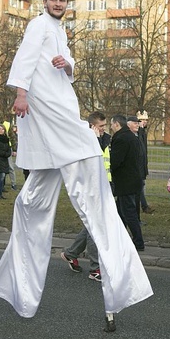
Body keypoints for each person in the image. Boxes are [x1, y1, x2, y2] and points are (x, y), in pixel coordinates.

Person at [0, 0, 152, 332]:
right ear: (45, 3)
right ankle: (24, 285)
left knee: (31, 202)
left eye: (62, 0)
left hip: (62, 108)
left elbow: (68, 67)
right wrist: (21, 94)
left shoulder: (59, 30)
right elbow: (24, 59)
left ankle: (20, 286)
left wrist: (66, 63)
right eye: (54, 0)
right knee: (86, 166)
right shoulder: (38, 25)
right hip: (49, 112)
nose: (58, 4)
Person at [59, 111, 110, 282]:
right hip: (86, 189)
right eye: (101, 126)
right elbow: (88, 162)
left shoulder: (101, 137)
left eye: (105, 125)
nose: (104, 129)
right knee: (94, 227)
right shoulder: (82, 140)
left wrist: (98, 138)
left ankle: (70, 253)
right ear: (92, 126)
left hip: (98, 187)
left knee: (91, 226)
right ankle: (95, 268)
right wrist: (94, 140)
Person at [110, 114, 145, 252]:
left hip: (126, 182)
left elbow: (116, 161)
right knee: (120, 212)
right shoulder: (130, 137)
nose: (111, 127)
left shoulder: (121, 138)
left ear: (117, 124)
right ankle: (120, 238)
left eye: (112, 124)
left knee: (129, 213)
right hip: (131, 180)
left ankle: (138, 242)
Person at [134, 112, 154, 214]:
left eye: (146, 120)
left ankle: (144, 205)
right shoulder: (138, 133)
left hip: (142, 165)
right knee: (140, 186)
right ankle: (144, 206)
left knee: (141, 186)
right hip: (138, 166)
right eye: (142, 120)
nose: (145, 122)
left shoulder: (143, 132)